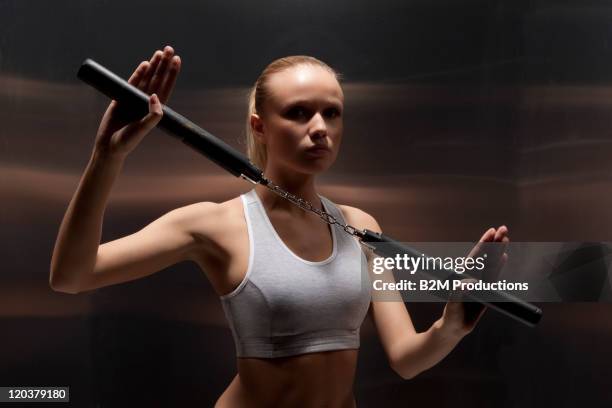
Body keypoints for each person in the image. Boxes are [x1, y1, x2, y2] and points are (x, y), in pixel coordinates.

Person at [50, 45, 510, 407]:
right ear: (260, 125)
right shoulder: (214, 224)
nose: (320, 128)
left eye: (332, 112)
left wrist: (452, 325)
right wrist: (107, 157)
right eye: (298, 112)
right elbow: (72, 276)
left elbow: (406, 360)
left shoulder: (361, 226)